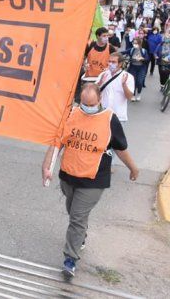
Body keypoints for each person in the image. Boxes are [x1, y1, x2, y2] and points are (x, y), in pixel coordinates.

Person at [41, 83, 139, 278]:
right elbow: (57, 142)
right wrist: (46, 166)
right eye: (84, 104)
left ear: (100, 99)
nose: (87, 107)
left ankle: (70, 260)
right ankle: (81, 235)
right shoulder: (70, 114)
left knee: (77, 217)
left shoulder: (109, 119)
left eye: (91, 104)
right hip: (69, 175)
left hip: (94, 180)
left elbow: (120, 148)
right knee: (73, 212)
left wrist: (133, 168)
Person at [96, 53, 134, 122]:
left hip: (118, 117)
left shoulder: (128, 77)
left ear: (120, 64)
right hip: (102, 114)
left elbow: (129, 97)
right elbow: (94, 93)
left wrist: (124, 85)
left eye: (113, 62)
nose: (110, 64)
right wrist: (100, 83)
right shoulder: (103, 75)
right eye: (109, 61)